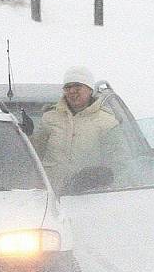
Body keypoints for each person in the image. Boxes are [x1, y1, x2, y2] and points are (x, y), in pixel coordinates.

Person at [30, 66, 120, 194]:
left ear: (89, 89)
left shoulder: (107, 122)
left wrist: (98, 179)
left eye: (77, 86)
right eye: (67, 87)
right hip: (48, 197)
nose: (72, 91)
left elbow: (118, 163)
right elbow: (33, 155)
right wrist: (26, 135)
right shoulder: (49, 118)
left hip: (89, 197)